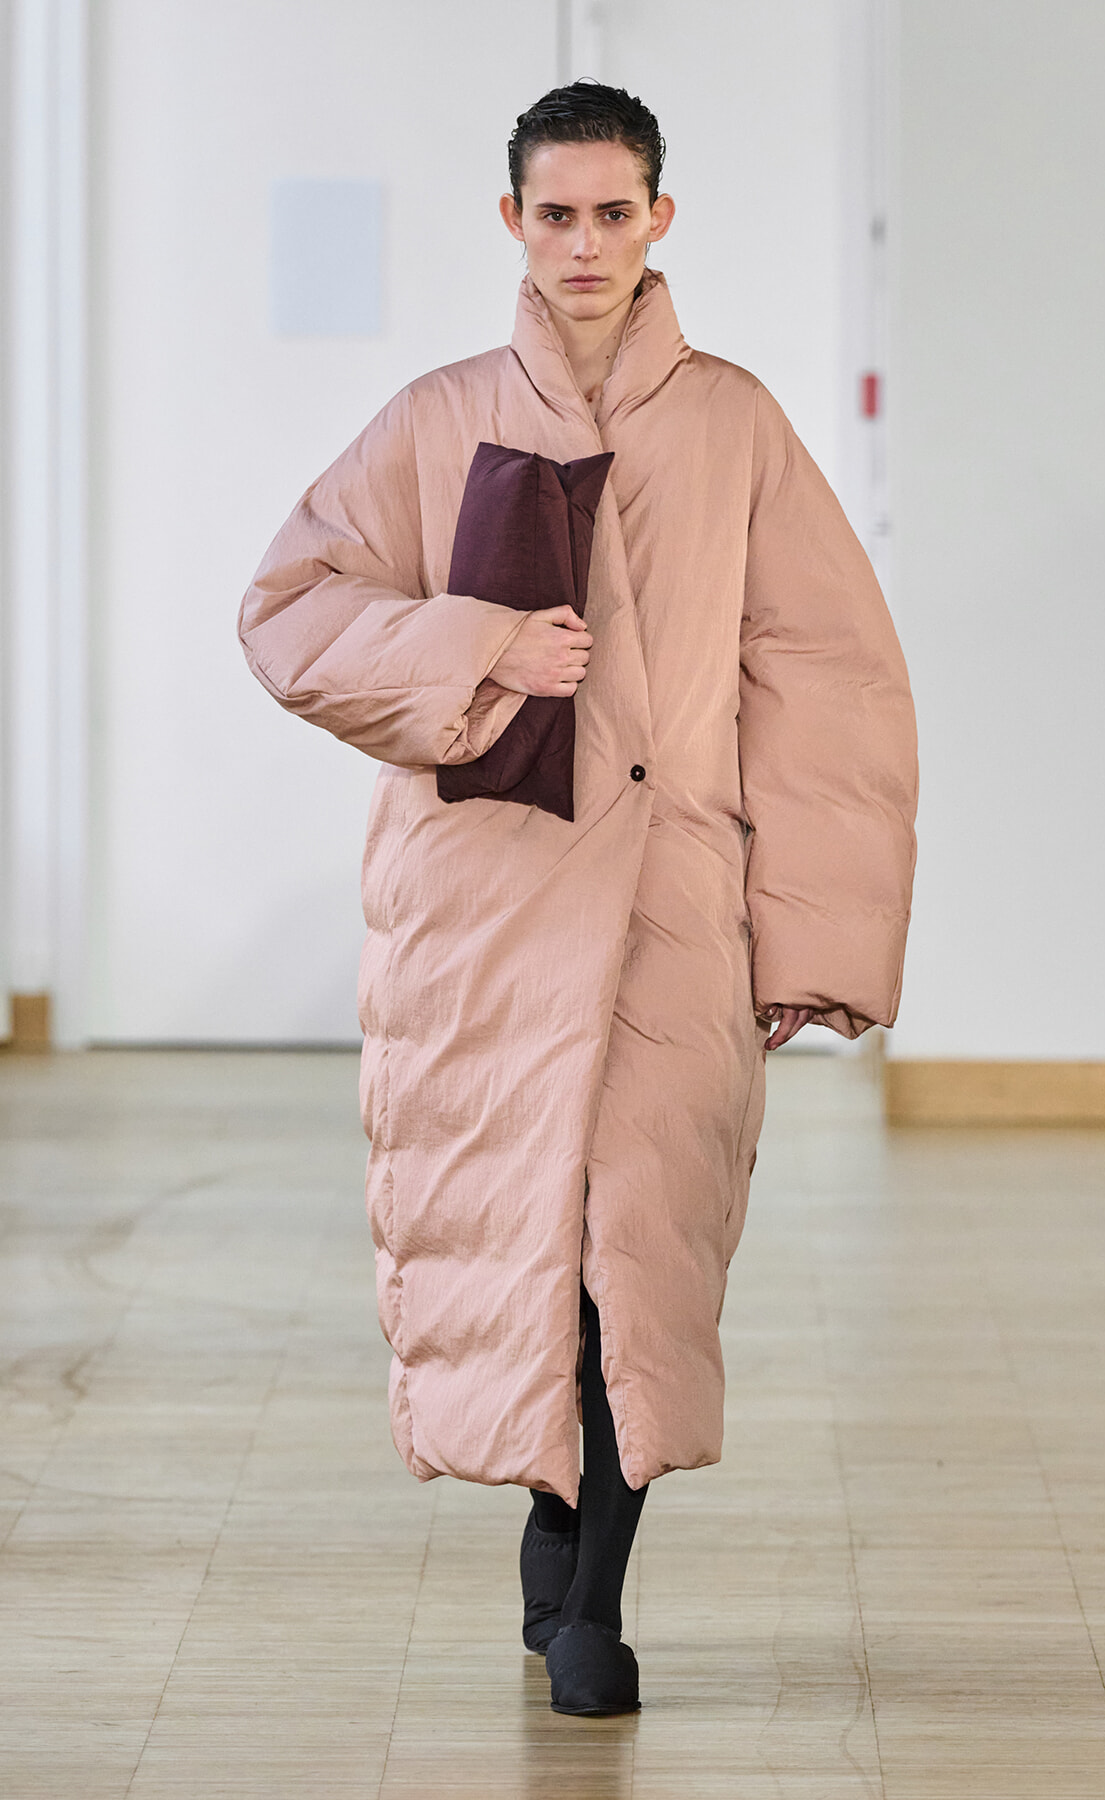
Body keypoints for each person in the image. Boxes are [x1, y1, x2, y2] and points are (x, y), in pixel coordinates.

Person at [238, 81, 918, 1716]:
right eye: (558, 213)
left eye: (617, 212)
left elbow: (828, 685)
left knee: (646, 1251)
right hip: (490, 905)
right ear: (514, 222)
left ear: (661, 217)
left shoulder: (738, 425)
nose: (589, 243)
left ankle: (593, 1589)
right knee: (534, 1242)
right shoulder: (440, 417)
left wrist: (815, 936)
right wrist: (477, 643)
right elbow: (289, 611)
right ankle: (556, 1534)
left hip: (678, 895)